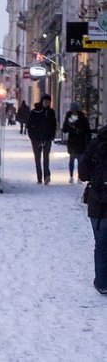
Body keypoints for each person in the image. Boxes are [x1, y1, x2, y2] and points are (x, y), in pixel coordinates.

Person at [78, 124, 107, 295]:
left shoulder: (96, 143)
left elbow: (83, 173)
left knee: (101, 244)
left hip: (97, 200)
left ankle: (102, 282)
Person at [26, 94, 57, 184]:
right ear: (42, 101)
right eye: (45, 101)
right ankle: (39, 177)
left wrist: (52, 135)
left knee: (46, 157)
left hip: (47, 138)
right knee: (37, 158)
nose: (47, 103)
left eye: (48, 102)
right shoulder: (35, 112)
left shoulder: (51, 112)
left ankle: (47, 176)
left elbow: (53, 125)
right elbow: (29, 125)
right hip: (36, 139)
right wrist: (32, 137)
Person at [62, 102, 92, 183]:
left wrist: (79, 130)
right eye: (73, 110)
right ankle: (71, 176)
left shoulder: (82, 118)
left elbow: (87, 130)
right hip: (73, 142)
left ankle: (79, 177)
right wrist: (70, 127)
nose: (74, 112)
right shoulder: (69, 117)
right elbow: (64, 129)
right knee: (72, 160)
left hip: (80, 142)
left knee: (80, 161)